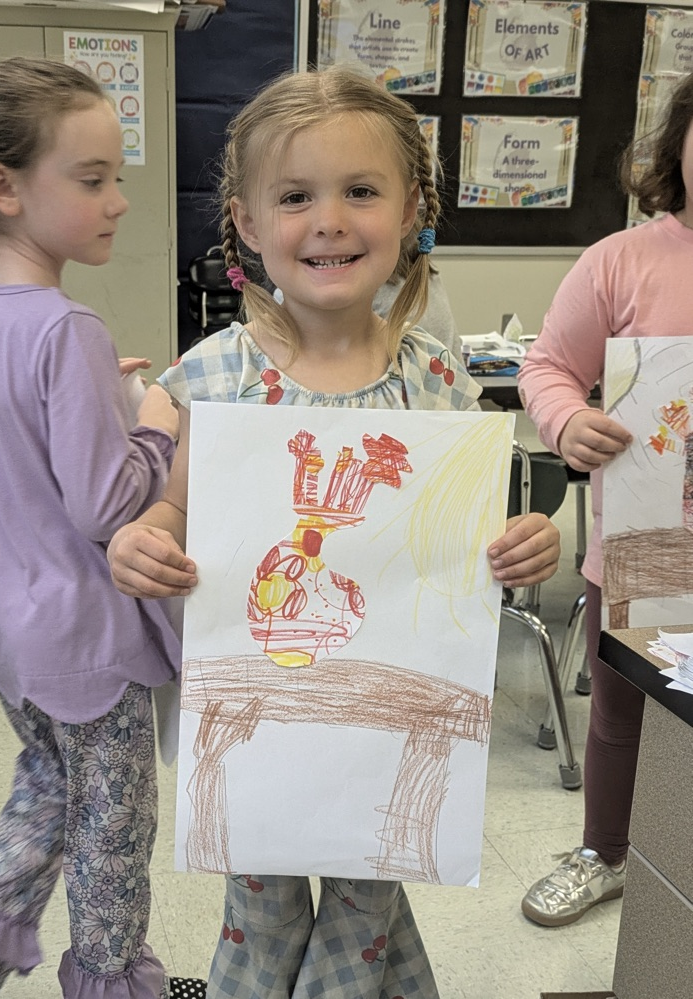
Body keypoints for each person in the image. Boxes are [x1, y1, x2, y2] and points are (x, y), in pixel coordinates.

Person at [107, 66, 561, 999]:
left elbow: (469, 539)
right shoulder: (217, 375)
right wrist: (139, 541)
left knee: (369, 902)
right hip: (255, 719)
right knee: (261, 914)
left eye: (361, 191)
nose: (330, 220)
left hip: (389, 721)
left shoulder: (435, 379)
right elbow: (171, 511)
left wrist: (521, 544)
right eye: (296, 197)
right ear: (245, 222)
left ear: (410, 210)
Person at [0, 58, 206, 999]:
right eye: (92, 180)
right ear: (3, 187)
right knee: (112, 829)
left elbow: (6, 443)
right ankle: (112, 982)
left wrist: (99, 398)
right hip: (85, 643)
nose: (118, 202)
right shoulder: (64, 328)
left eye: (118, 178)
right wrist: (155, 419)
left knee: (47, 790)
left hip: (5, 630)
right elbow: (106, 505)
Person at [517, 72, 693, 927]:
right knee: (621, 711)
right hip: (641, 544)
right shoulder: (621, 260)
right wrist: (567, 421)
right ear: (680, 144)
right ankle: (605, 851)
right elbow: (546, 366)